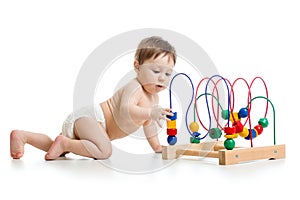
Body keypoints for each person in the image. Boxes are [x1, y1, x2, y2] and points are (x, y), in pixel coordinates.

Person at [10, 36, 176, 160]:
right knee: (104, 151)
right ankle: (65, 143)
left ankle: (24, 136)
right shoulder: (135, 88)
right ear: (137, 67)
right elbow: (126, 111)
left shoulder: (154, 100)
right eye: (156, 71)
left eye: (168, 73)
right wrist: (150, 113)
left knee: (57, 147)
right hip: (92, 119)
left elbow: (148, 125)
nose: (162, 78)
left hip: (92, 127)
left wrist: (156, 146)